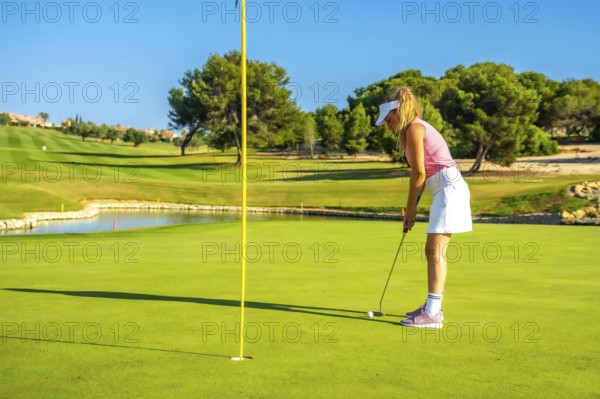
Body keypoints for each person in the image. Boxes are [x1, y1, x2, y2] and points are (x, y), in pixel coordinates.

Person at [375, 86, 472, 328]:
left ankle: (432, 314)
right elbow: (421, 175)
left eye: (389, 119)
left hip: (449, 189)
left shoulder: (416, 128)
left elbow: (419, 174)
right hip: (443, 188)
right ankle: (432, 308)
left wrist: (410, 210)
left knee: (434, 251)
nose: (388, 126)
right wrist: (412, 209)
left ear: (399, 112)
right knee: (433, 251)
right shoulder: (414, 130)